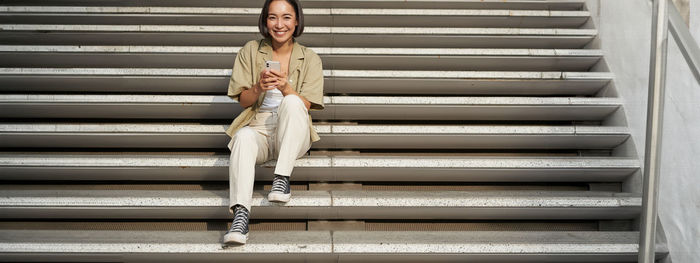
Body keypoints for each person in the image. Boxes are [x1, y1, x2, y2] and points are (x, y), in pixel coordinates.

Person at [222, 0, 324, 245]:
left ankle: (281, 179)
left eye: (287, 17)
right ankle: (240, 216)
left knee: (291, 103)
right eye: (273, 17)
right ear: (265, 21)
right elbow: (244, 102)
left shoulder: (310, 58)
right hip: (259, 127)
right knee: (243, 137)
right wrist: (259, 87)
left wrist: (285, 87)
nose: (280, 24)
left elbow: (306, 106)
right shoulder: (250, 50)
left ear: (297, 20)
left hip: (293, 133)